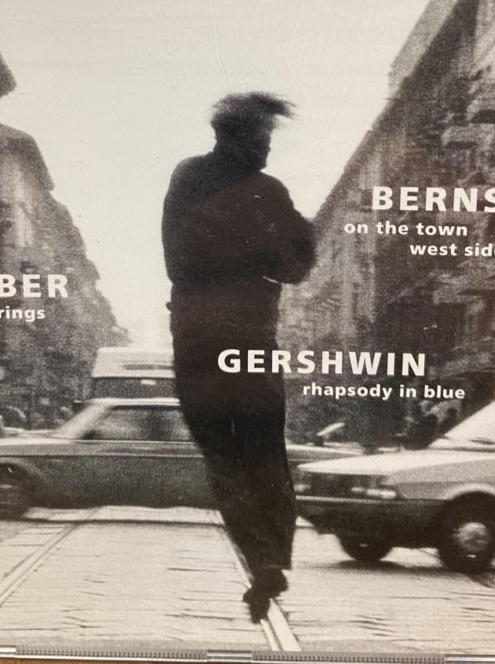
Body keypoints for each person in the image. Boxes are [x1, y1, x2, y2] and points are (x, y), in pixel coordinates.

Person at [162, 92, 315, 622]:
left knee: (224, 460)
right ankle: (271, 557)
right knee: (266, 453)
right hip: (251, 343)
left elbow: (177, 259)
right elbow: (297, 265)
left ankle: (261, 558)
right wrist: (274, 244)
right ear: (239, 138)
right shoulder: (268, 192)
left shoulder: (186, 178)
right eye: (263, 139)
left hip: (197, 342)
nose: (268, 150)